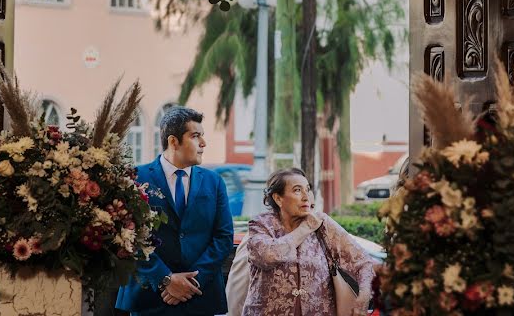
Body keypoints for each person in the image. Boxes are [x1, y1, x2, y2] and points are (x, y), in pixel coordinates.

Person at [116, 106, 234, 316]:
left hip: (199, 295)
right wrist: (165, 279)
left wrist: (191, 281)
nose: (203, 144)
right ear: (173, 141)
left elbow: (223, 238)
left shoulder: (214, 182)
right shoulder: (135, 178)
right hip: (149, 297)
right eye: (195, 136)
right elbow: (127, 238)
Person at [242, 168, 376, 316]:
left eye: (308, 189)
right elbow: (268, 256)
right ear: (278, 198)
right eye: (297, 190)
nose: (306, 197)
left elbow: (363, 262)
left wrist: (364, 294)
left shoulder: (322, 223)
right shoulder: (261, 224)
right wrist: (305, 228)